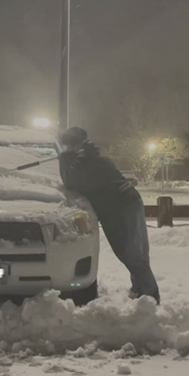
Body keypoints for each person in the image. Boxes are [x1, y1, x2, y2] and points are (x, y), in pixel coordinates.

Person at [58, 127, 160, 304]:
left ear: (78, 146)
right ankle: (140, 290)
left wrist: (65, 160)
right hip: (128, 202)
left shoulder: (92, 164)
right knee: (136, 251)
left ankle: (150, 296)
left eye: (68, 146)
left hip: (120, 208)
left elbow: (70, 182)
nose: (66, 149)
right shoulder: (94, 160)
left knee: (130, 252)